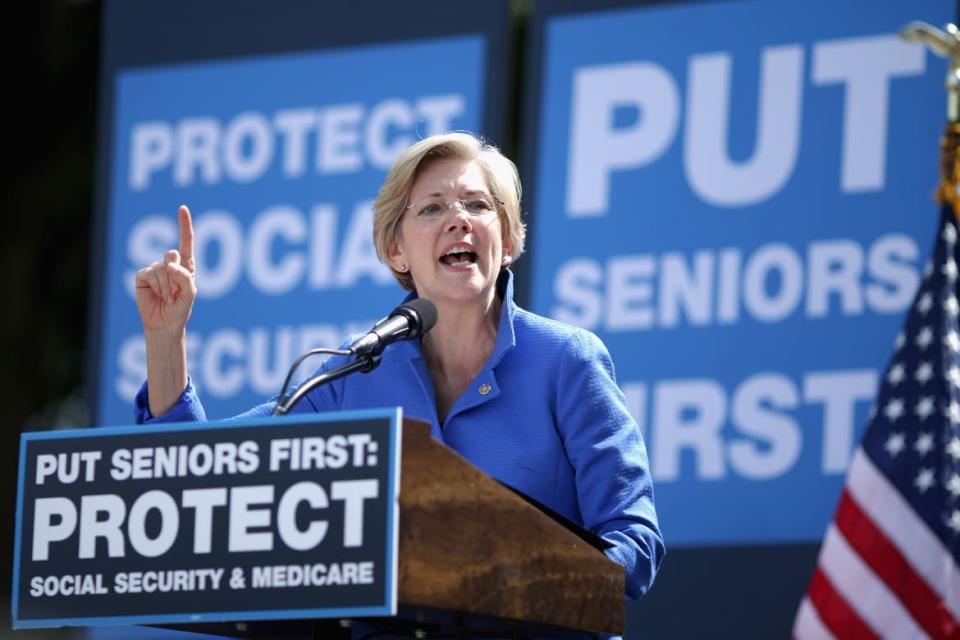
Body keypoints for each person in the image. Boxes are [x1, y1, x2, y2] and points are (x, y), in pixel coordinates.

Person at [134, 132, 664, 600]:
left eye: (477, 205)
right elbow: (198, 475)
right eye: (432, 208)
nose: (457, 218)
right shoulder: (352, 372)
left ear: (506, 240)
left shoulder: (566, 362)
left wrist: (525, 578)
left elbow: (633, 542)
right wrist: (165, 339)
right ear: (396, 250)